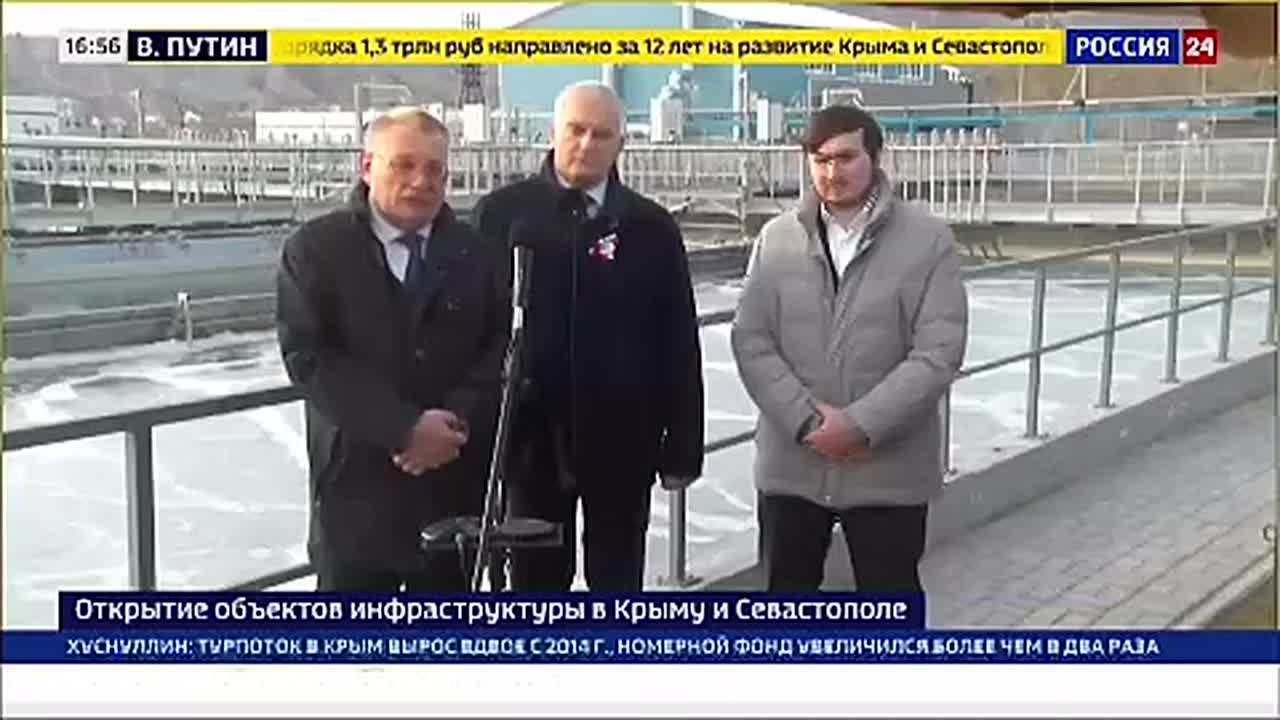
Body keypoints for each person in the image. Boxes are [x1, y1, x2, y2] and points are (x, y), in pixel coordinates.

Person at [471, 81, 705, 592]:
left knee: (617, 579)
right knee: (535, 584)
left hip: (624, 439)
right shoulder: (502, 216)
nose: (586, 144)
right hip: (530, 440)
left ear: (621, 143)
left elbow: (677, 340)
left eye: (601, 134)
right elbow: (476, 331)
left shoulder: (649, 227)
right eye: (575, 130)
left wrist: (683, 445)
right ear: (552, 133)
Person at [730, 104, 968, 593]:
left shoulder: (928, 242)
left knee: (889, 605)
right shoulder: (776, 241)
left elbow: (939, 352)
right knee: (784, 603)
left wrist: (860, 425)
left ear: (875, 157)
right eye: (819, 160)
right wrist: (806, 421)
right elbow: (751, 338)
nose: (831, 172)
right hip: (793, 466)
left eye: (844, 157)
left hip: (888, 470)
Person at [276, 107, 507, 591]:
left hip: (453, 488)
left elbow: (499, 352)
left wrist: (453, 425)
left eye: (434, 169)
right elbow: (309, 357)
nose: (421, 181)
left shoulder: (478, 254)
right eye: (404, 164)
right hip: (355, 493)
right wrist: (403, 428)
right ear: (367, 167)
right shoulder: (316, 249)